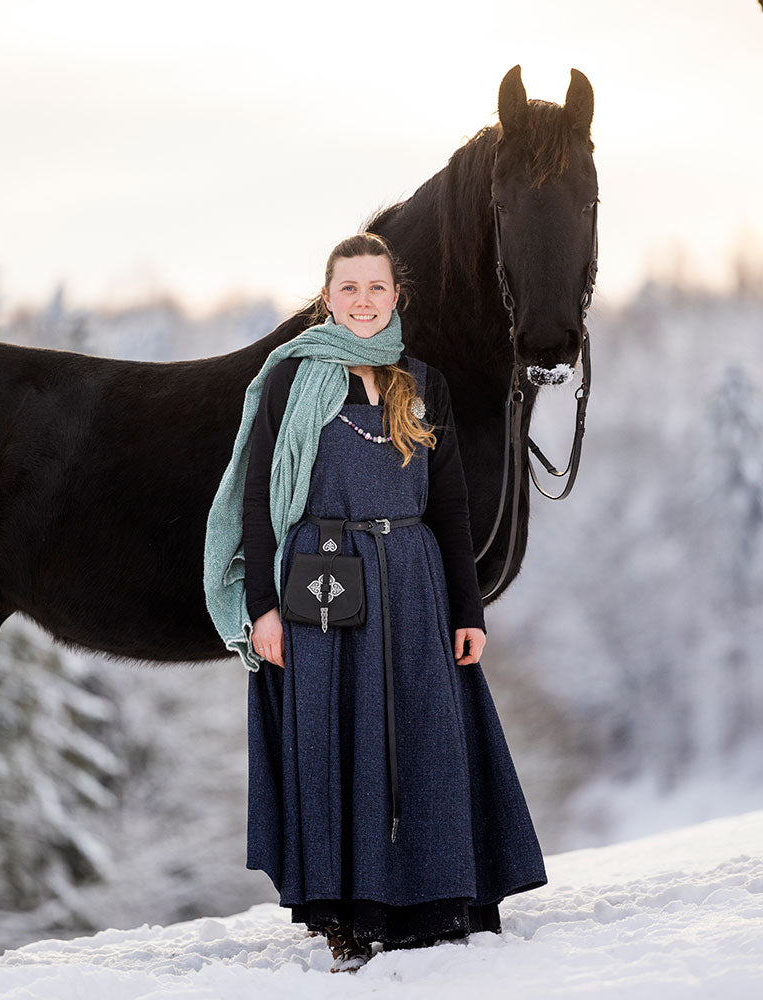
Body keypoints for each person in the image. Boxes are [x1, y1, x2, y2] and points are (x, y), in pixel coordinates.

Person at [213, 232, 547, 973]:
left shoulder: (423, 381)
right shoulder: (290, 383)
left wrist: (469, 611)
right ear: (327, 298)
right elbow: (263, 502)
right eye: (349, 287)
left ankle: (436, 899)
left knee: (425, 736)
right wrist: (262, 607)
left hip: (414, 579)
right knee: (337, 740)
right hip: (324, 582)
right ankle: (347, 914)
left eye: (376, 287)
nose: (363, 300)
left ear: (396, 296)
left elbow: (451, 505)